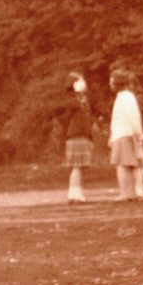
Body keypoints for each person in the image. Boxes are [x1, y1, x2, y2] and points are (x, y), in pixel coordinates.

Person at [108, 68, 143, 202]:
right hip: (124, 133)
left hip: (124, 134)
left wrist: (138, 133)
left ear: (117, 82)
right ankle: (130, 193)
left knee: (122, 165)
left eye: (111, 81)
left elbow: (133, 116)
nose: (110, 83)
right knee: (128, 164)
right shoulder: (124, 97)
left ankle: (125, 193)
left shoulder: (125, 97)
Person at [63, 73, 95, 203]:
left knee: (79, 167)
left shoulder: (82, 99)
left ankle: (76, 192)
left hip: (82, 135)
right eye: (81, 81)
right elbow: (69, 108)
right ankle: (74, 194)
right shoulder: (72, 99)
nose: (84, 83)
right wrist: (77, 93)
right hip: (76, 135)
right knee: (76, 166)